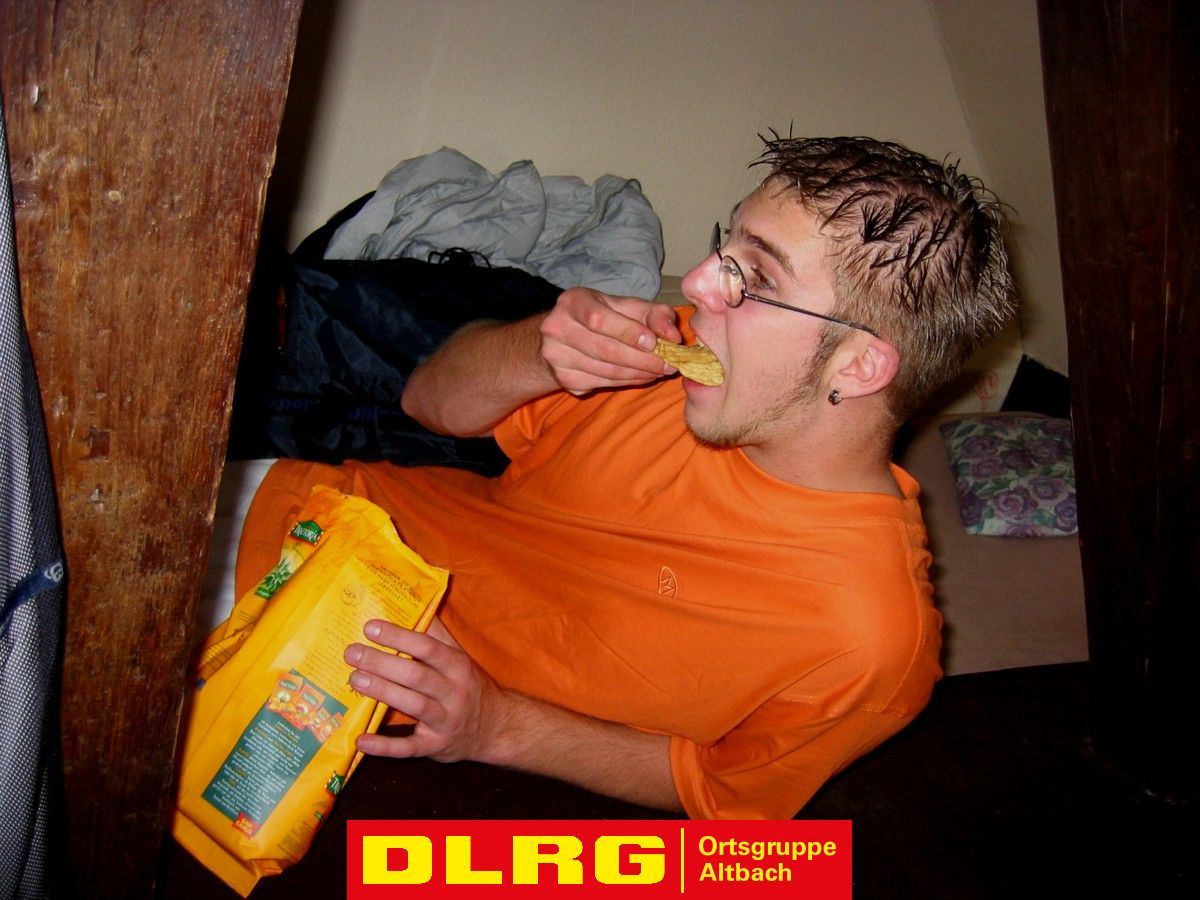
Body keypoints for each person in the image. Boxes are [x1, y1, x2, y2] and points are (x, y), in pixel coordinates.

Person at [235, 135, 1017, 819]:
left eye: (755, 278)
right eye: (724, 247)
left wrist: (496, 725)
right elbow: (426, 400)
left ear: (859, 366)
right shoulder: (666, 358)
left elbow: (719, 792)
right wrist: (538, 347)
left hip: (321, 700)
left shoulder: (869, 641)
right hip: (281, 510)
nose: (698, 284)